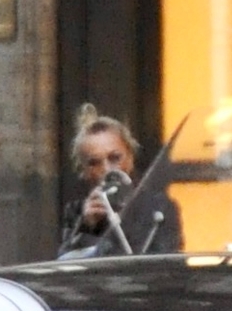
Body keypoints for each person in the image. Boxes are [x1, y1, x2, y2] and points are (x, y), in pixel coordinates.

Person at [56, 105, 184, 257]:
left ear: (130, 158)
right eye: (94, 163)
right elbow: (68, 264)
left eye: (115, 158)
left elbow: (167, 260)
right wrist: (88, 228)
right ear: (84, 171)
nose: (107, 169)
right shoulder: (77, 212)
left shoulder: (159, 207)